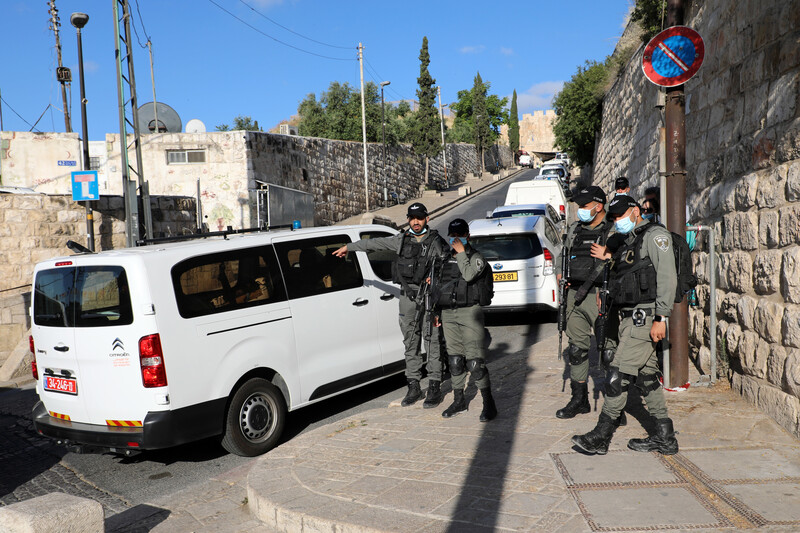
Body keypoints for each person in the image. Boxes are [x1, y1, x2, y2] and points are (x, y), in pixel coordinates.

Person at [572, 194, 679, 456]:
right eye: (614, 217)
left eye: (620, 216)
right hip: (630, 316)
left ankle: (601, 436)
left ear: (634, 211)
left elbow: (667, 277)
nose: (617, 221)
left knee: (616, 376)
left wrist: (661, 318)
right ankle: (665, 437)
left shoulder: (656, 236)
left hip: (647, 316)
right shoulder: (631, 240)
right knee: (647, 379)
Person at [332, 203, 449, 408]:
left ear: (427, 219)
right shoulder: (401, 241)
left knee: (432, 342)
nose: (415, 222)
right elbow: (373, 244)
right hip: (407, 299)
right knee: (410, 343)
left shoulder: (437, 242)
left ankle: (434, 386)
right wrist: (349, 248)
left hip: (430, 299)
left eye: (419, 218)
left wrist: (437, 283)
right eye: (412, 218)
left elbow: (449, 270)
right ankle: (413, 386)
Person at [554, 186, 623, 424]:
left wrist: (609, 256)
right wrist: (559, 278)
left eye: (583, 206)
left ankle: (615, 407)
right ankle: (579, 400)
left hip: (601, 294)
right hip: (574, 293)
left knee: (609, 351)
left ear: (598, 206)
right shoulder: (574, 230)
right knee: (576, 349)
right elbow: (562, 257)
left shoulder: (613, 230)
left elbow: (627, 261)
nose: (579, 211)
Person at [437, 218, 497, 421]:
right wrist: (436, 313)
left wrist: (462, 254)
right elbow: (438, 286)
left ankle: (489, 404)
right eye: (452, 235)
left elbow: (470, 275)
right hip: (448, 312)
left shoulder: (476, 257)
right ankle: (459, 400)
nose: (455, 239)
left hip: (470, 312)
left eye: (459, 235)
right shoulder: (444, 258)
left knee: (474, 363)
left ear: (467, 235)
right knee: (454, 360)